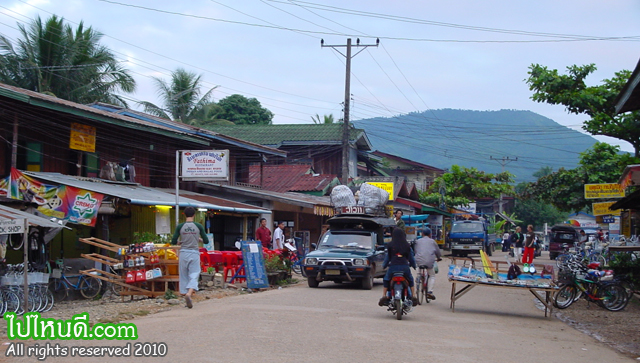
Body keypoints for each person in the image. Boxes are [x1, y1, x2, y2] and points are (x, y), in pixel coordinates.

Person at [171, 206, 208, 309]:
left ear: (184, 215)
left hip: (183, 253)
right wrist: (199, 239)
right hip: (194, 253)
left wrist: (179, 241)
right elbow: (206, 241)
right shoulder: (198, 226)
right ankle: (190, 293)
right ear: (194, 215)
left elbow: (173, 241)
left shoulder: (180, 226)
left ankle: (184, 294)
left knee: (183, 275)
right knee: (194, 274)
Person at [379, 228, 418, 306]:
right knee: (410, 280)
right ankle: (413, 295)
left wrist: (384, 266)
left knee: (386, 279)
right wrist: (414, 266)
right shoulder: (407, 245)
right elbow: (411, 258)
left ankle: (384, 295)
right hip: (404, 267)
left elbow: (388, 258)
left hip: (393, 267)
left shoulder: (390, 245)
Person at [413, 227, 442, 301]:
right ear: (430, 234)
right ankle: (430, 292)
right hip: (429, 262)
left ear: (422, 234)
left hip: (419, 261)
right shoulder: (433, 241)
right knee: (432, 275)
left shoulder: (418, 241)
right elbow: (438, 252)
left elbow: (415, 251)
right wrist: (439, 258)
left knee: (419, 269)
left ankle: (418, 277)